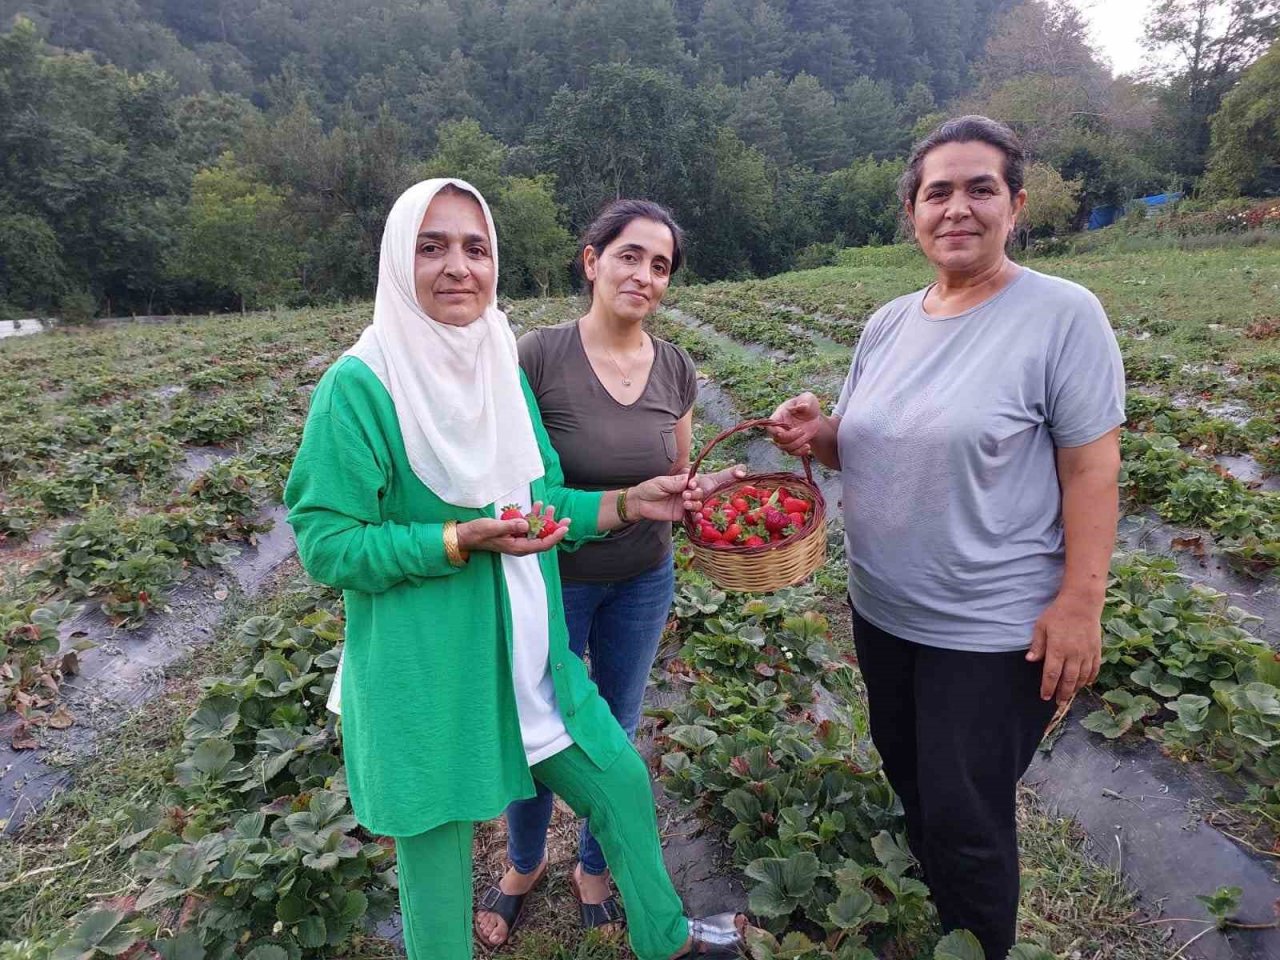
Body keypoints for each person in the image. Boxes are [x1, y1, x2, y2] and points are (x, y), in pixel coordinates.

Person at [284, 177, 748, 960]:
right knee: (438, 880)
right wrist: (455, 540)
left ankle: (666, 939)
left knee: (619, 780)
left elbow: (541, 499)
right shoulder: (359, 386)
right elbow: (326, 544)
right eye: (432, 247)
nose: (457, 266)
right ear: (398, 260)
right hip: (428, 672)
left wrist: (631, 501)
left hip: (530, 656)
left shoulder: (498, 359)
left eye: (476, 247)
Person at [767, 116, 1124, 960]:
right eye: (938, 192)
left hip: (989, 627)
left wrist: (1081, 604)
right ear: (913, 212)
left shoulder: (1062, 316)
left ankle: (978, 942)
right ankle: (947, 921)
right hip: (885, 611)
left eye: (980, 189)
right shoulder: (889, 322)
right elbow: (859, 442)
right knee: (914, 781)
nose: (957, 208)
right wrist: (816, 432)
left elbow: (1092, 471)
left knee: (968, 818)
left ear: (1016, 205)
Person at [485, 200, 742, 943]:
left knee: (617, 727)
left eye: (660, 265)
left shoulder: (677, 367)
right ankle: (525, 862)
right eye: (630, 256)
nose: (644, 276)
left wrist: (704, 495)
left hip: (642, 578)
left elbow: (677, 472)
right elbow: (514, 479)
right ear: (593, 261)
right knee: (537, 732)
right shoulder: (539, 356)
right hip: (551, 582)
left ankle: (594, 867)